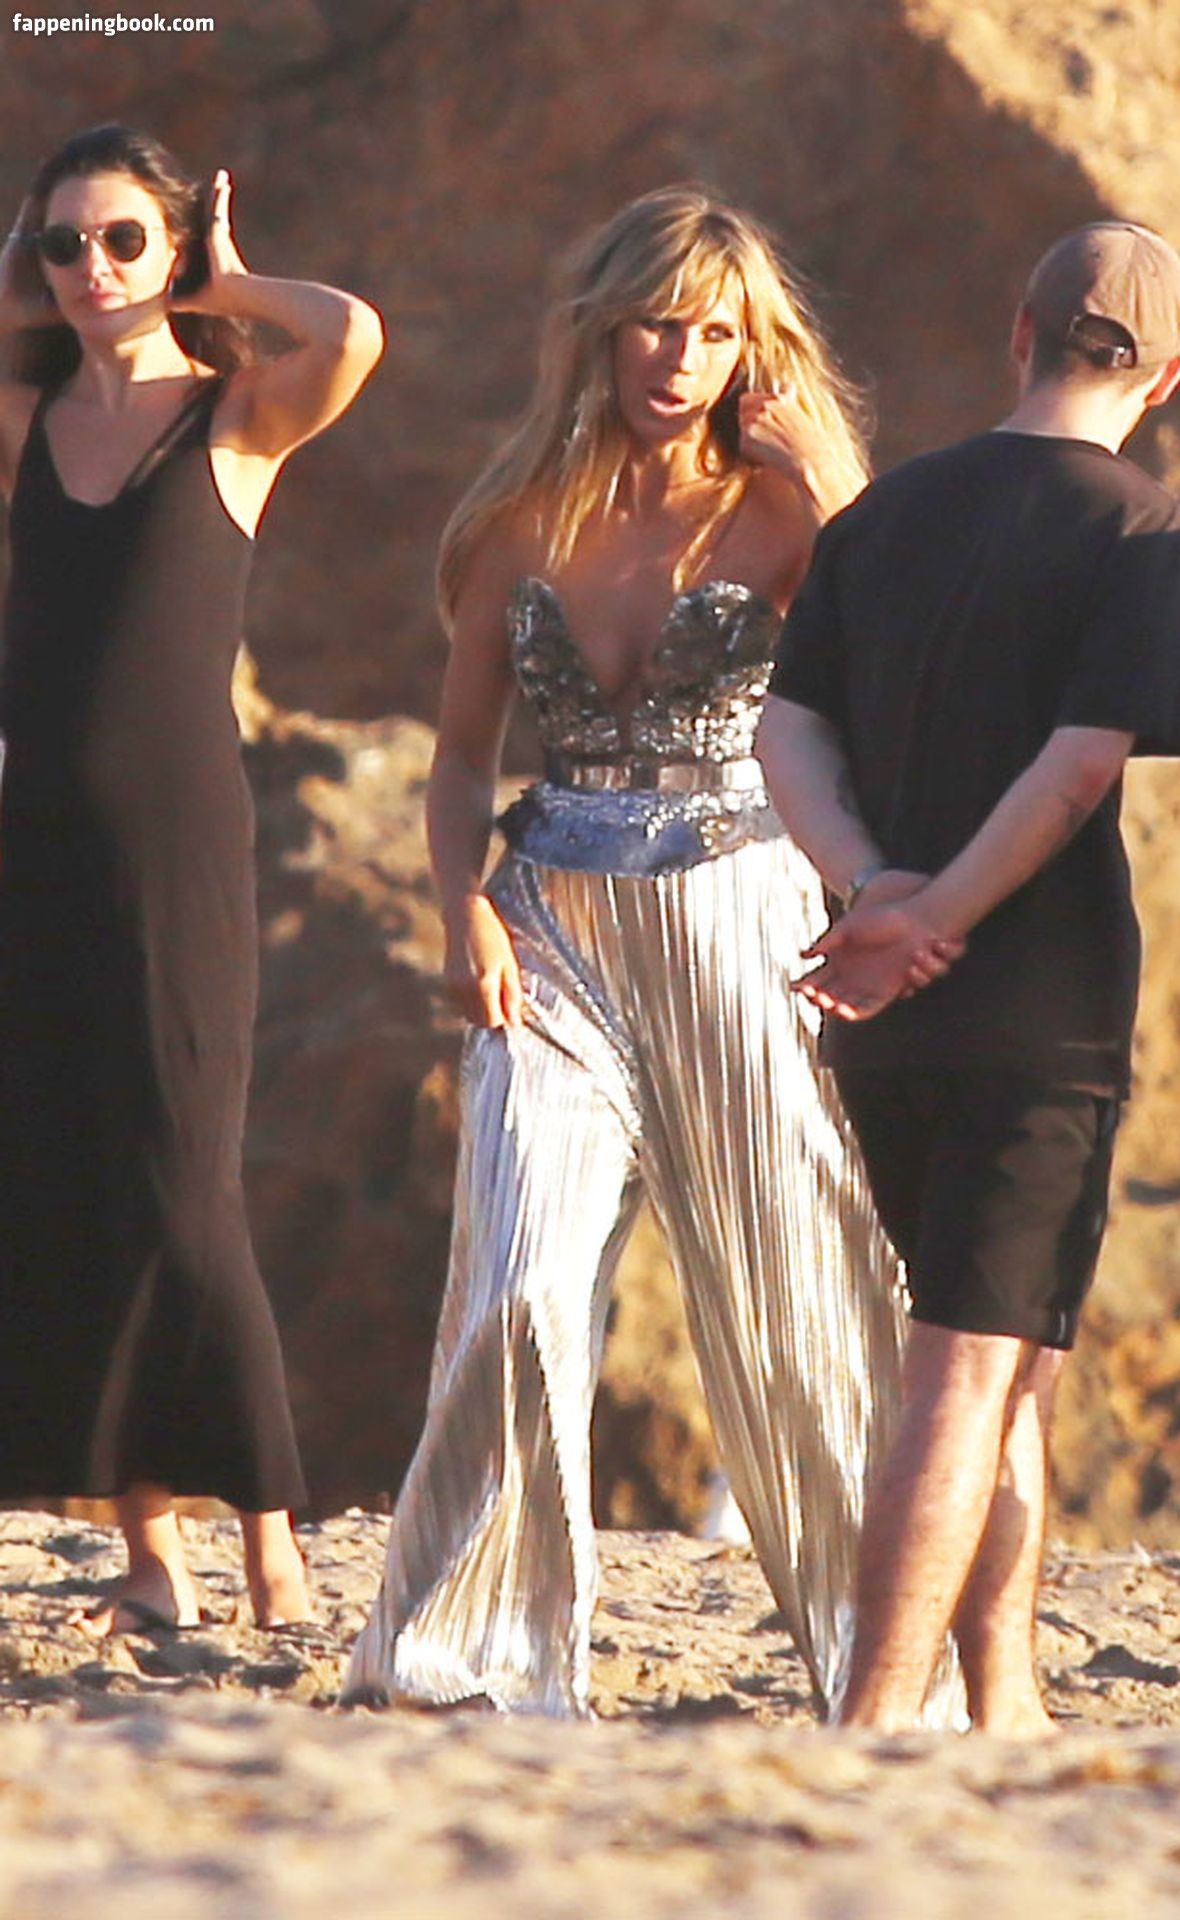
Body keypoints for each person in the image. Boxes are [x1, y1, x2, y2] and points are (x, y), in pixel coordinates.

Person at [346, 185, 958, 1721]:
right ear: (599, 333)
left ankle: (882, 1676)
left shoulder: (792, 520)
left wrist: (824, 476)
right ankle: (465, 1664)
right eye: (651, 326)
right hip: (551, 929)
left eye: (711, 333)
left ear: (753, 351)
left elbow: (908, 656)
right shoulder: (518, 523)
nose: (677, 360)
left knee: (800, 1306)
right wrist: (459, 904)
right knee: (516, 1278)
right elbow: (458, 760)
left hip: (747, 928)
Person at [758, 222, 1180, 1733]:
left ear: (1018, 332)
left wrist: (871, 891)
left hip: (883, 1006)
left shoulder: (882, 513)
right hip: (1038, 1006)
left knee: (1011, 1356)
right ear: (1169, 377)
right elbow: (1075, 772)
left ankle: (1003, 1698)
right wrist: (932, 910)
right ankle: (874, 1721)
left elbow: (787, 732)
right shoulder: (1141, 527)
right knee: (963, 1365)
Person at [0, 124, 383, 1633]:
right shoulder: (25, 421)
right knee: (81, 1179)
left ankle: (272, 1538)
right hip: (36, 849)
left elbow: (348, 333)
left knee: (186, 1182)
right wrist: (35, 288)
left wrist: (228, 284)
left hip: (179, 854)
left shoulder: (235, 418)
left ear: (175, 245)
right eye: (61, 243)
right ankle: (150, 1553)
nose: (90, 268)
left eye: (122, 240)